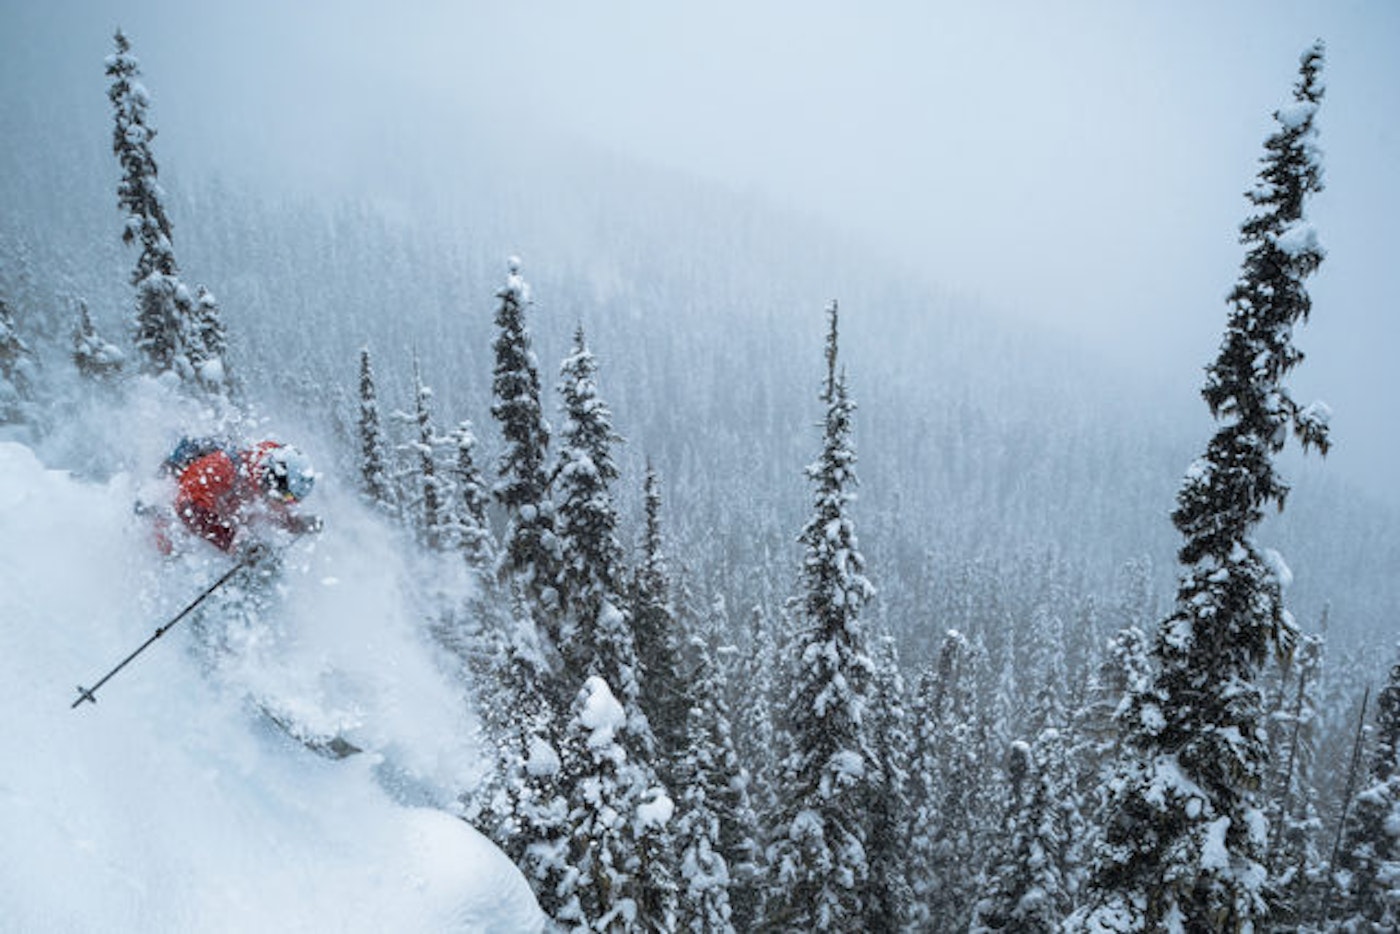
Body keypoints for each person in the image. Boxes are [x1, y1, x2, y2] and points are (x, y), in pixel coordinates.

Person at [158, 439, 322, 556]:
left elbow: (270, 511)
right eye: (285, 498)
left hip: (213, 506)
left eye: (292, 501)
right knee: (169, 546)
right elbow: (187, 509)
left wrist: (297, 524)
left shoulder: (266, 473)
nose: (286, 505)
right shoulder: (222, 469)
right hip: (169, 509)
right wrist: (232, 541)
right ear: (270, 480)